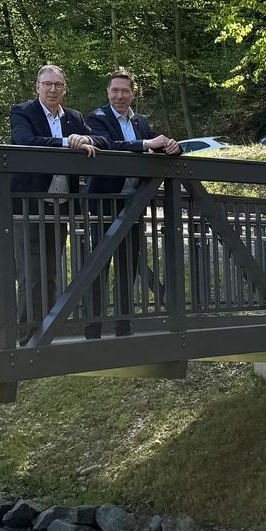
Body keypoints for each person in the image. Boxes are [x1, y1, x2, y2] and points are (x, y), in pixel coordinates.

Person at [8, 64, 107, 340]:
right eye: (47, 84)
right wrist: (68, 143)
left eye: (58, 85)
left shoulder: (73, 117)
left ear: (65, 88)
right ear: (37, 87)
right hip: (27, 204)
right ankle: (28, 335)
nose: (52, 89)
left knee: (51, 270)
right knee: (31, 273)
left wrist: (85, 137)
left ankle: (47, 331)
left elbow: (103, 139)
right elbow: (24, 141)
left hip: (61, 205)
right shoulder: (23, 111)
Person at [87, 69, 180, 334]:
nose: (119, 96)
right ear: (107, 92)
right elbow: (108, 146)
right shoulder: (97, 118)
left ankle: (123, 326)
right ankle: (93, 327)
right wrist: (145, 144)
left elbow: (155, 144)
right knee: (98, 266)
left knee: (128, 265)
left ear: (133, 94)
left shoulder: (140, 121)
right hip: (104, 202)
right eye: (114, 91)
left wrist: (173, 147)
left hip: (134, 203)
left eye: (125, 91)